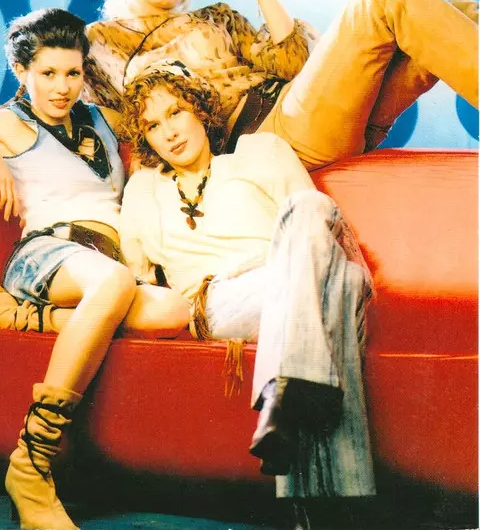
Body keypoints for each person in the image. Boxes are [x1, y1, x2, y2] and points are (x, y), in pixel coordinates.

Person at [0, 8, 189, 530]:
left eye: (72, 73)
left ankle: (15, 315)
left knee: (171, 311)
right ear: (22, 71)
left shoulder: (101, 120)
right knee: (113, 282)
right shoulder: (10, 124)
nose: (62, 87)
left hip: (104, 265)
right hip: (48, 254)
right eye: (47, 73)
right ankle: (30, 464)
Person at [118, 62, 376, 501]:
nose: (169, 132)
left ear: (200, 110)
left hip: (293, 275)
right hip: (218, 301)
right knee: (342, 287)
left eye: (176, 112)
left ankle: (284, 404)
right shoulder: (144, 189)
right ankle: (336, 489)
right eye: (153, 125)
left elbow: (317, 233)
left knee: (314, 216)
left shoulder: (259, 153)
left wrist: (285, 268)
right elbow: (138, 277)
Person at [83, 0, 478, 170]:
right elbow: (86, 117)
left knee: (461, 10)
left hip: (309, 114)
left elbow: (297, 65)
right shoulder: (97, 42)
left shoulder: (216, 16)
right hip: (266, 142)